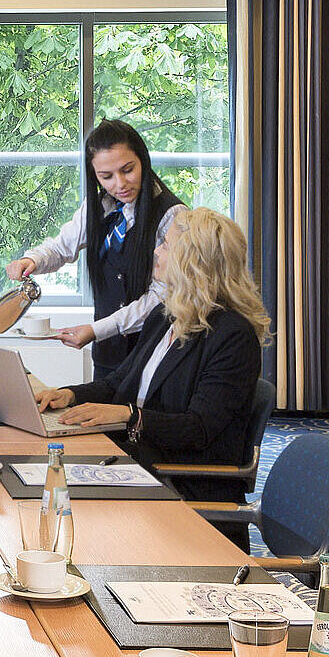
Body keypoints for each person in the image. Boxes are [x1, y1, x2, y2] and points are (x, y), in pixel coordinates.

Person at [35, 206, 268, 500]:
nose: (156, 251)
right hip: (140, 461)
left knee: (55, 491)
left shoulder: (233, 336)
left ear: (192, 263)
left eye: (166, 245)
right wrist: (69, 395)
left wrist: (130, 416)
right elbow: (117, 383)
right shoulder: (164, 315)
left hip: (184, 483)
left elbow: (199, 429)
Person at [4, 119, 185, 378]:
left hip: (153, 353)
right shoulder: (100, 206)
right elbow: (61, 247)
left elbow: (162, 298)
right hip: (108, 354)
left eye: (128, 170)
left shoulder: (172, 215)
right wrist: (32, 260)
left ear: (143, 161)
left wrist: (97, 329)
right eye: (106, 177)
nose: (120, 184)